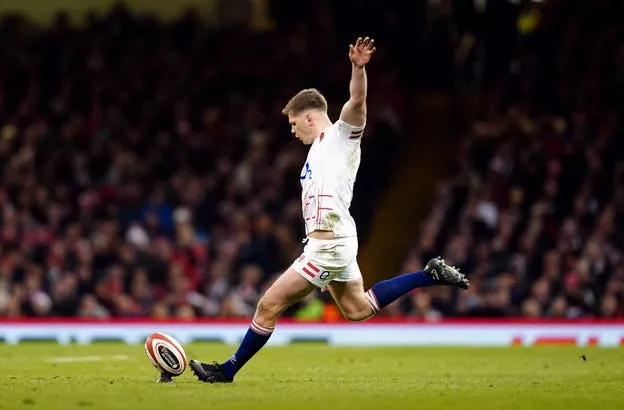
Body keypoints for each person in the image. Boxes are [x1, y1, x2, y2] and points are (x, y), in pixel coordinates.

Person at [186, 37, 469, 384]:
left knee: (268, 305)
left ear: (308, 116)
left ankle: (226, 371)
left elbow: (358, 101)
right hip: (332, 241)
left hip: (330, 245)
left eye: (293, 124)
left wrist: (358, 67)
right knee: (357, 309)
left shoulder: (340, 137)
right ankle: (429, 275)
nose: (292, 131)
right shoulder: (315, 153)